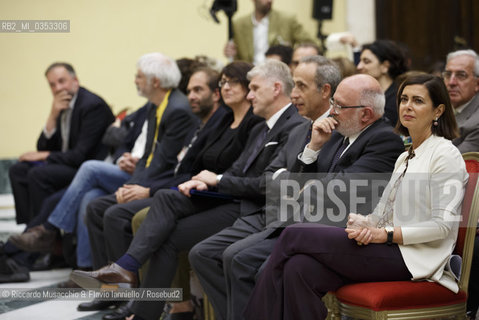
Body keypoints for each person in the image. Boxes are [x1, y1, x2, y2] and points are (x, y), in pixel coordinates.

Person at [70, 60, 306, 320]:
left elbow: (266, 185)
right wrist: (205, 182)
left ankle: (133, 287)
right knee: (167, 198)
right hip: (234, 196)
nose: (250, 95)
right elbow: (236, 169)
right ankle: (129, 281)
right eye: (248, 88)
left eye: (254, 88)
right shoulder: (262, 126)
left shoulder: (292, 126)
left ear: (275, 88)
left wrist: (216, 179)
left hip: (250, 206)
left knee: (166, 231)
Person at [244, 73, 468, 320]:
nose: (407, 106)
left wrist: (386, 234)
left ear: (438, 111)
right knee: (299, 269)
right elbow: (383, 211)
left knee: (293, 234)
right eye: (404, 99)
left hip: (416, 258)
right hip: (389, 246)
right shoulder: (406, 156)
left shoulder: (445, 154)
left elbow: (444, 226)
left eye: (418, 101)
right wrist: (364, 222)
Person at [190, 71, 405, 320]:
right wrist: (313, 149)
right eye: (333, 102)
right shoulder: (336, 135)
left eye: (339, 106)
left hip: (334, 231)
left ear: (365, 114)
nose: (332, 111)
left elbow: (341, 189)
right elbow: (296, 185)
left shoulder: (384, 141)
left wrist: (310, 188)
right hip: (303, 223)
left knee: (255, 267)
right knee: (236, 258)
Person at [8, 62, 114, 224]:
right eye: (52, 85)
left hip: (85, 169)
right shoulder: (62, 105)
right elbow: (42, 146)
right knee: (18, 170)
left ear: (75, 81)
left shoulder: (92, 106)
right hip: (67, 164)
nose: (57, 88)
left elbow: (80, 156)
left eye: (61, 81)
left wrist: (44, 155)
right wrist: (52, 115)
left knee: (38, 175)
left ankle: (42, 233)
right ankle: (29, 227)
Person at [224, 0, 316, 65]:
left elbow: (311, 43)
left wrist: (292, 53)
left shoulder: (287, 19)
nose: (270, 1)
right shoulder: (238, 24)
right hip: (250, 73)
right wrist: (231, 52)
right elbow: (237, 57)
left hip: (278, 72)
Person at [357, 39, 408, 126]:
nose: (359, 66)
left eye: (366, 61)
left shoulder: (397, 97)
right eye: (360, 61)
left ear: (385, 66)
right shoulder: (366, 94)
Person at [443, 49, 479, 153]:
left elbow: (452, 163)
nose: (451, 82)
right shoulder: (438, 106)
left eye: (461, 75)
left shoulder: (475, 124)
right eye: (448, 74)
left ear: (477, 84)